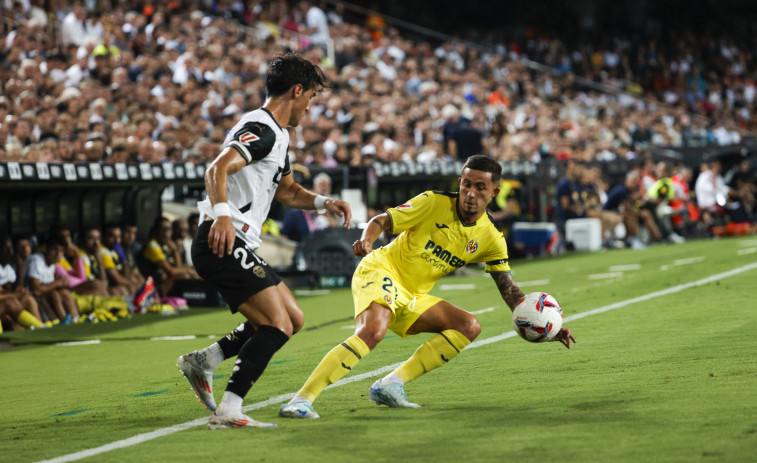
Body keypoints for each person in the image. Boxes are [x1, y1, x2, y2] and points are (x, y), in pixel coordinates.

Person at [279, 155, 575, 420]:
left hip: (412, 294)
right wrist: (368, 239)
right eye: (466, 184)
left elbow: (509, 290)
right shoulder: (433, 202)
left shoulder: (491, 237)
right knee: (373, 331)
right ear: (460, 182)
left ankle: (390, 384)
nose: (471, 193)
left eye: (480, 188)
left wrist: (545, 326)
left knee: (468, 326)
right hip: (381, 270)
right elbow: (382, 219)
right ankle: (302, 400)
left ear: (494, 192)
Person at [175, 52, 352, 429]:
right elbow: (217, 167)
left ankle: (204, 361)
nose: (310, 106)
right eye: (311, 98)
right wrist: (223, 214)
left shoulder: (280, 135)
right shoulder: (264, 127)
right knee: (277, 325)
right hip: (222, 239)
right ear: (297, 90)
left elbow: (287, 191)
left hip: (235, 241)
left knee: (294, 318)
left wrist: (324, 203)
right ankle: (229, 409)